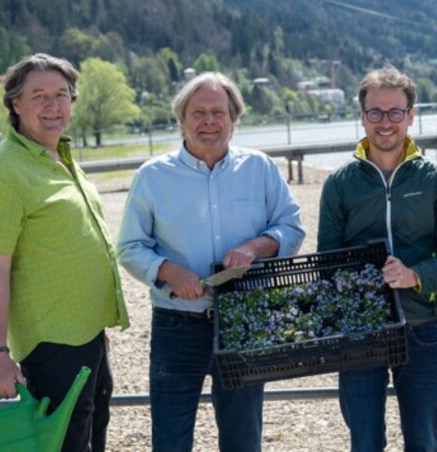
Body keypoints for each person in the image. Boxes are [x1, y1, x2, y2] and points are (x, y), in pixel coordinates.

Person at [116, 72, 305, 451]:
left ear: (234, 119)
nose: (209, 121)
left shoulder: (261, 169)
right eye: (198, 112)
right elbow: (130, 247)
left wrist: (254, 247)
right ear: (181, 120)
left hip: (244, 320)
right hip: (176, 326)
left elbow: (291, 227)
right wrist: (169, 271)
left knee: (242, 438)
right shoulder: (152, 177)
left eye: (218, 112)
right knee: (170, 440)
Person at [0, 53, 130, 451]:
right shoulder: (3, 171)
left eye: (61, 94)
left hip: (85, 333)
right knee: (64, 441)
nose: (53, 105)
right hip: (51, 341)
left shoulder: (59, 157)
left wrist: (96, 332)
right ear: (15, 104)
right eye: (38, 95)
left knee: (91, 426)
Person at [318, 65, 437, 452]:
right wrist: (357, 281)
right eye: (375, 112)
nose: (384, 122)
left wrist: (415, 276)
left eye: (394, 113)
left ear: (411, 115)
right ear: (362, 116)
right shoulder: (340, 183)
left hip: (420, 328)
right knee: (365, 442)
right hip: (359, 333)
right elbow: (327, 262)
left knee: (423, 442)